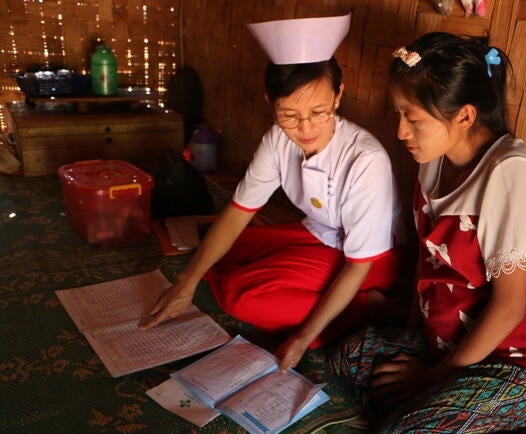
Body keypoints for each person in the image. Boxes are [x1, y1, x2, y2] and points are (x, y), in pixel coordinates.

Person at [330, 32, 526, 433]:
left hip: (524, 361)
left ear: (464, 116)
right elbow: (427, 263)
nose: (400, 132)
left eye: (412, 119)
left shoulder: (508, 172)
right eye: (399, 114)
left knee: (406, 427)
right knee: (351, 357)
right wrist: (413, 336)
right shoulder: (433, 161)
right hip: (449, 342)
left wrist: (430, 377)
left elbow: (509, 308)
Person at [140, 13, 401, 371]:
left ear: (339, 95)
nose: (305, 128)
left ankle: (364, 307)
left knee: (239, 296)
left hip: (367, 261)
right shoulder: (278, 139)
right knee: (218, 254)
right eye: (289, 114)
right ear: (270, 101)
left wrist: (302, 339)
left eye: (319, 111)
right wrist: (186, 283)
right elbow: (238, 212)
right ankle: (328, 302)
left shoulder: (365, 158)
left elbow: (359, 264)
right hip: (318, 234)